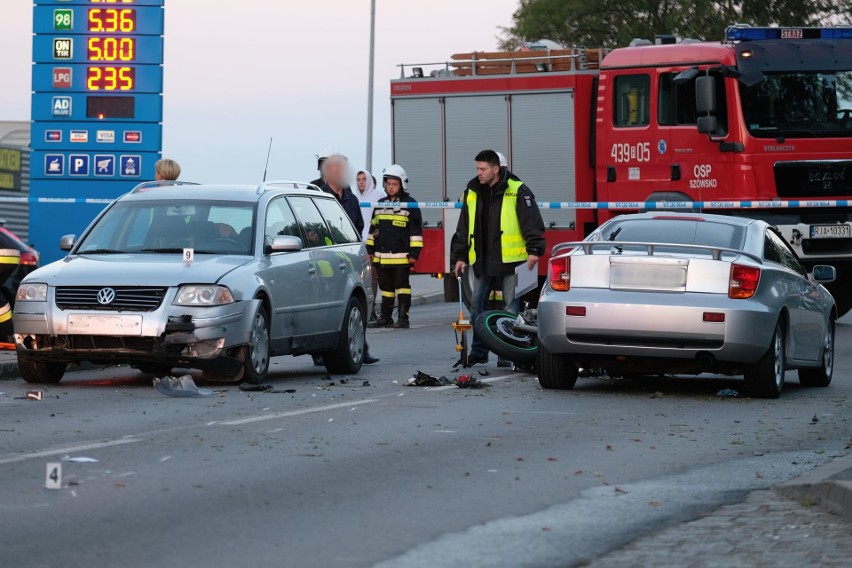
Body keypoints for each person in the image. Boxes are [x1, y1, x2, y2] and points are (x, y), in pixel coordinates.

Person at [451, 149, 545, 366]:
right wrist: (461, 256)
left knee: (510, 308)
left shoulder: (518, 190)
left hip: (511, 261)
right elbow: (463, 226)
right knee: (476, 307)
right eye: (477, 168)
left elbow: (531, 221)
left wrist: (534, 250)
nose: (479, 173)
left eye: (483, 169)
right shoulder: (473, 191)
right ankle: (479, 352)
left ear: (496, 169)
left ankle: (507, 354)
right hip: (483, 259)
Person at [316, 153, 378, 365]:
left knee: (354, 304)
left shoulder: (351, 198)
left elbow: (358, 225)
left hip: (348, 259)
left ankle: (360, 348)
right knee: (329, 307)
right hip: (326, 260)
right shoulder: (319, 196)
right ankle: (321, 352)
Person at [367, 165, 423, 329]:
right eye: (388, 183)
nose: (390, 187)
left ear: (402, 185)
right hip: (381, 256)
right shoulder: (380, 204)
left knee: (402, 287)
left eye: (394, 184)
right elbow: (373, 228)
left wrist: (414, 252)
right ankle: (386, 317)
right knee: (386, 288)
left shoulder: (410, 204)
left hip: (402, 256)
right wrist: (370, 250)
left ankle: (403, 318)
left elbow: (415, 230)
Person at [355, 170, 386, 321]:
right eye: (358, 179)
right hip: (359, 244)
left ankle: (375, 310)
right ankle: (369, 309)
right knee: (365, 279)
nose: (361, 182)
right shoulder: (355, 199)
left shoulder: (378, 196)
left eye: (363, 179)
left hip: (375, 243)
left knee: (375, 278)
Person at [319, 154, 363, 237]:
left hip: (349, 247)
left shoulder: (352, 199)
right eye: (336, 171)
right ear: (327, 173)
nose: (340, 174)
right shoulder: (319, 196)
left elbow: (359, 227)